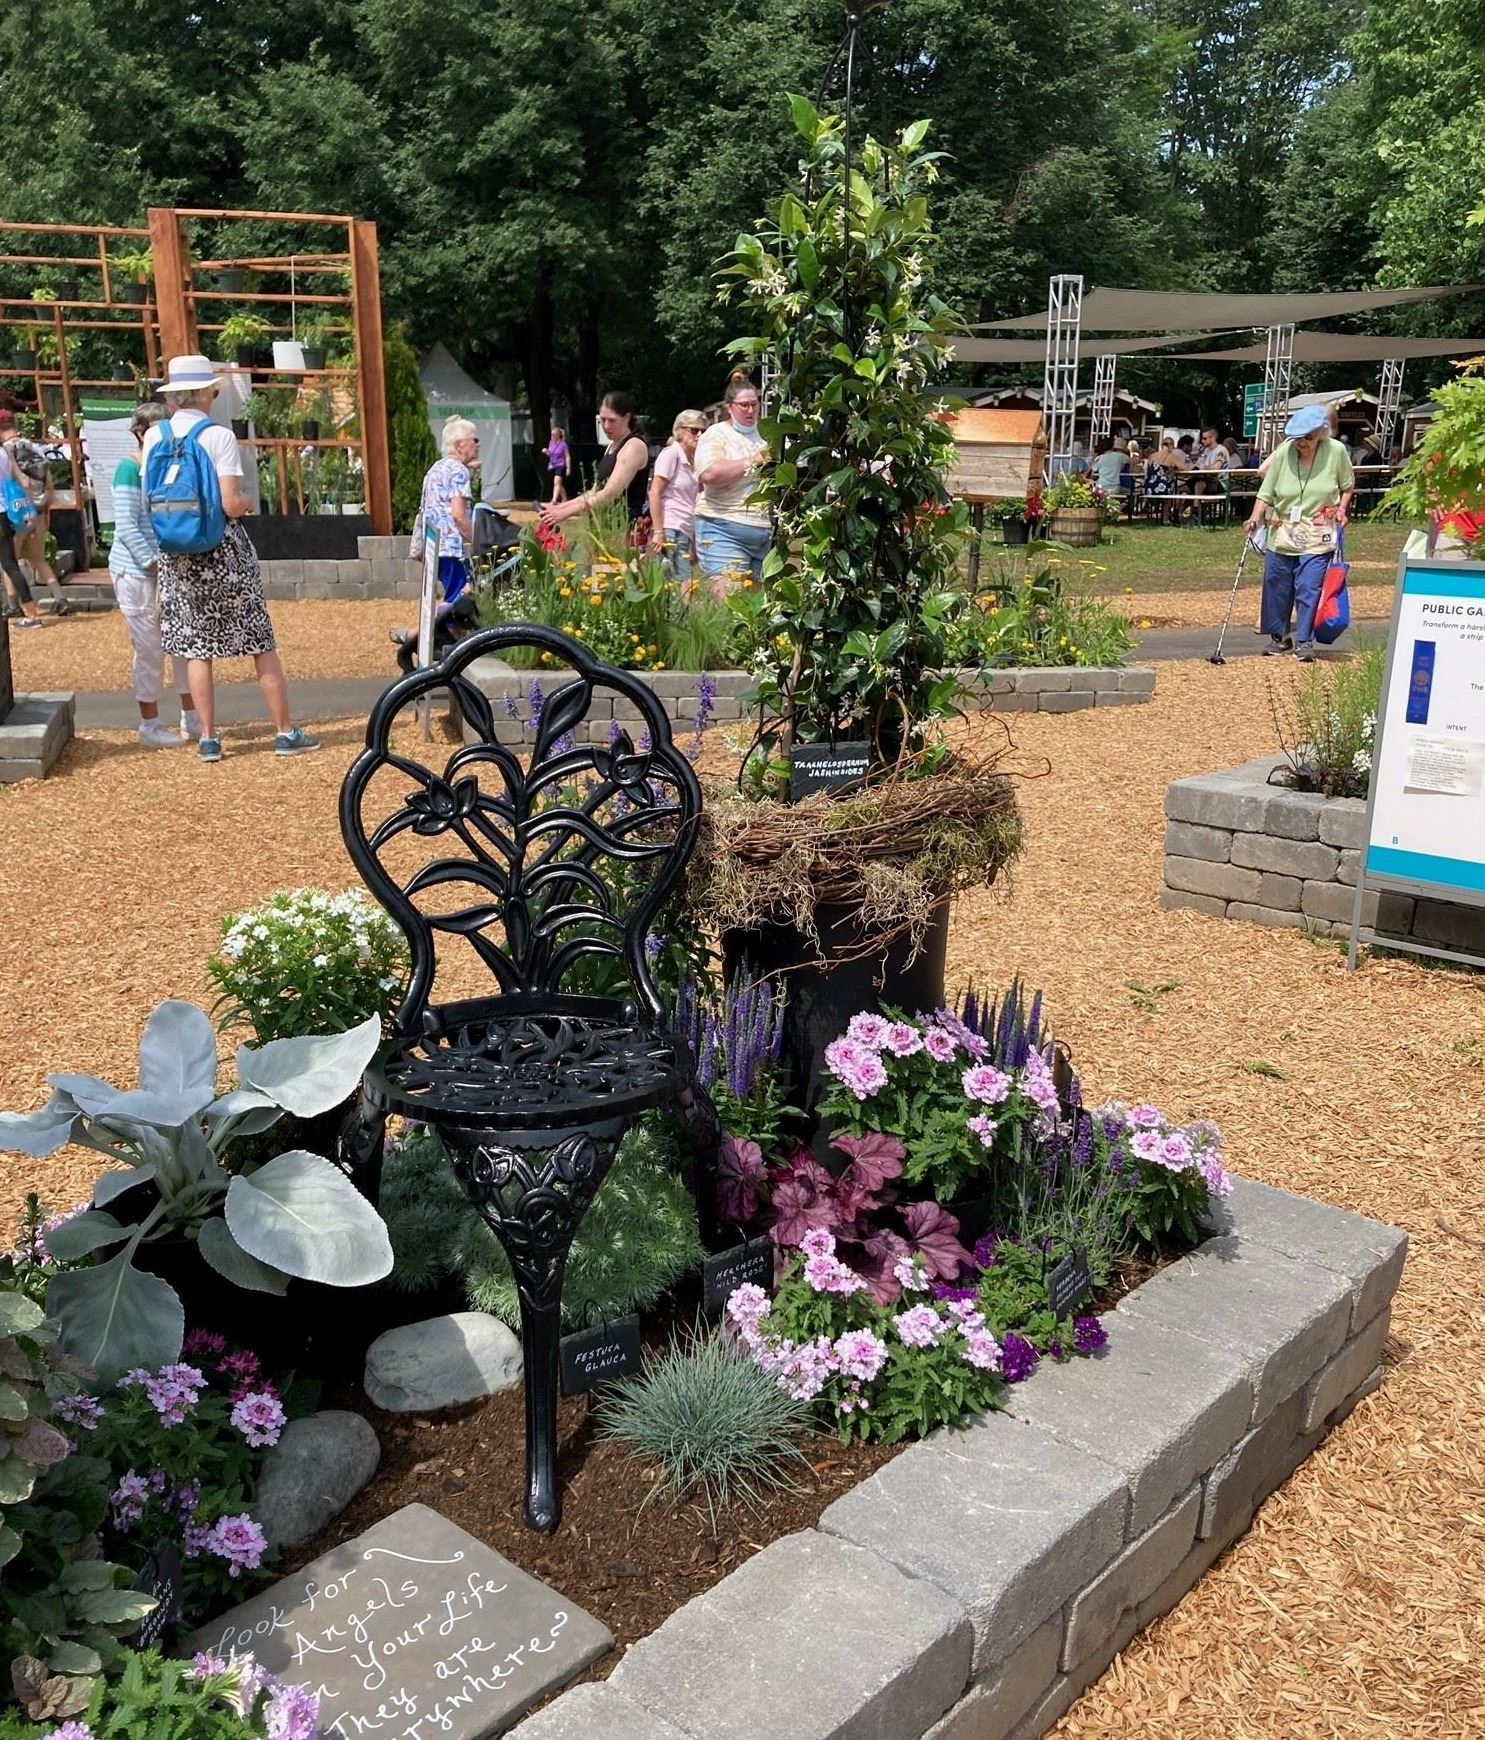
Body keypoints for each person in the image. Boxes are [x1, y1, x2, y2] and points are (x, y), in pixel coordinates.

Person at [143, 354, 319, 761]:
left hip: (176, 555)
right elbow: (229, 502)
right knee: (260, 641)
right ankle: (283, 731)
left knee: (196, 646)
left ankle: (207, 738)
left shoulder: (154, 437)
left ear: (173, 397)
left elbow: (146, 499)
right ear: (206, 393)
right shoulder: (217, 436)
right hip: (223, 552)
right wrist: (246, 503)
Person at [109, 401, 199, 747]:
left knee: (183, 644)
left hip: (166, 570)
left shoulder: (166, 466)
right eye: (155, 429)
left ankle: (191, 716)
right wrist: (154, 563)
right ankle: (149, 724)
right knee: (149, 648)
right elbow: (127, 527)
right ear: (138, 433)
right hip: (137, 572)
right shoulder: (129, 469)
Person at [1243, 403, 1355, 663]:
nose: (1303, 443)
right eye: (1298, 438)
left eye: (1309, 437)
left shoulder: (1336, 452)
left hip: (1318, 530)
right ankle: (1279, 637)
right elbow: (1266, 490)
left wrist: (1341, 509)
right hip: (1282, 530)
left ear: (1321, 433)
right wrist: (1253, 518)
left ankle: (1304, 641)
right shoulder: (1284, 452)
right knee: (1277, 584)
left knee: (1308, 585)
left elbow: (1347, 486)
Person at [391, 417, 479, 660]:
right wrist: (478, 543)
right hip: (452, 546)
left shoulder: (436, 469)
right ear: (460, 444)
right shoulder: (458, 471)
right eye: (475, 440)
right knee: (462, 597)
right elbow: (459, 515)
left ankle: (420, 637)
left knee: (455, 596)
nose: (478, 445)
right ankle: (416, 636)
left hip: (435, 546)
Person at [692, 377, 770, 582]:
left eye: (754, 404)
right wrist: (754, 460)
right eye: (744, 405)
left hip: (764, 534)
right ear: (730, 407)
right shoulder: (716, 434)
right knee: (731, 604)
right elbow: (709, 474)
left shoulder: (768, 435)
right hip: (722, 528)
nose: (750, 410)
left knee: (757, 609)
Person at [541, 391, 650, 531]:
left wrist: (564, 513)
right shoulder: (612, 446)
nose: (606, 426)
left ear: (627, 417)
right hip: (604, 529)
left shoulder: (633, 446)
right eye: (602, 420)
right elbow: (594, 491)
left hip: (624, 531)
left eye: (611, 420)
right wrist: (558, 507)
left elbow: (610, 494)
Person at [0, 410, 68, 615]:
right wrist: (46, 508)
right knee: (38, 559)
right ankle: (60, 598)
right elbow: (49, 483)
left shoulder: (6, 451)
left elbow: (15, 483)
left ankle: (14, 606)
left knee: (9, 562)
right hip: (37, 511)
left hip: (14, 513)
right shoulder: (34, 447)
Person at [648, 410, 707, 577]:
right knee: (680, 583)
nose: (699, 435)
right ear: (680, 431)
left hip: (685, 529)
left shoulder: (694, 460)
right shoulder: (671, 455)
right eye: (694, 430)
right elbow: (655, 492)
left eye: (704, 431)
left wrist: (694, 542)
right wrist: (659, 532)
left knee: (679, 583)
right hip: (671, 527)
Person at [0, 441, 48, 628]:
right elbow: (24, 481)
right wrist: (31, 514)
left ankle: (31, 614)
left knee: (9, 564)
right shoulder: (4, 450)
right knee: (10, 563)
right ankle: (30, 612)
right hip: (9, 511)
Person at [543, 425, 570, 503]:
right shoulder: (551, 443)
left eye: (554, 434)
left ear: (558, 435)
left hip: (561, 465)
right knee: (559, 484)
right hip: (553, 465)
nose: (552, 436)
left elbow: (567, 456)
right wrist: (546, 451)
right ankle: (564, 499)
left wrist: (568, 468)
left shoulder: (563, 445)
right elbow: (551, 454)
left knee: (557, 482)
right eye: (551, 434)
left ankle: (554, 499)